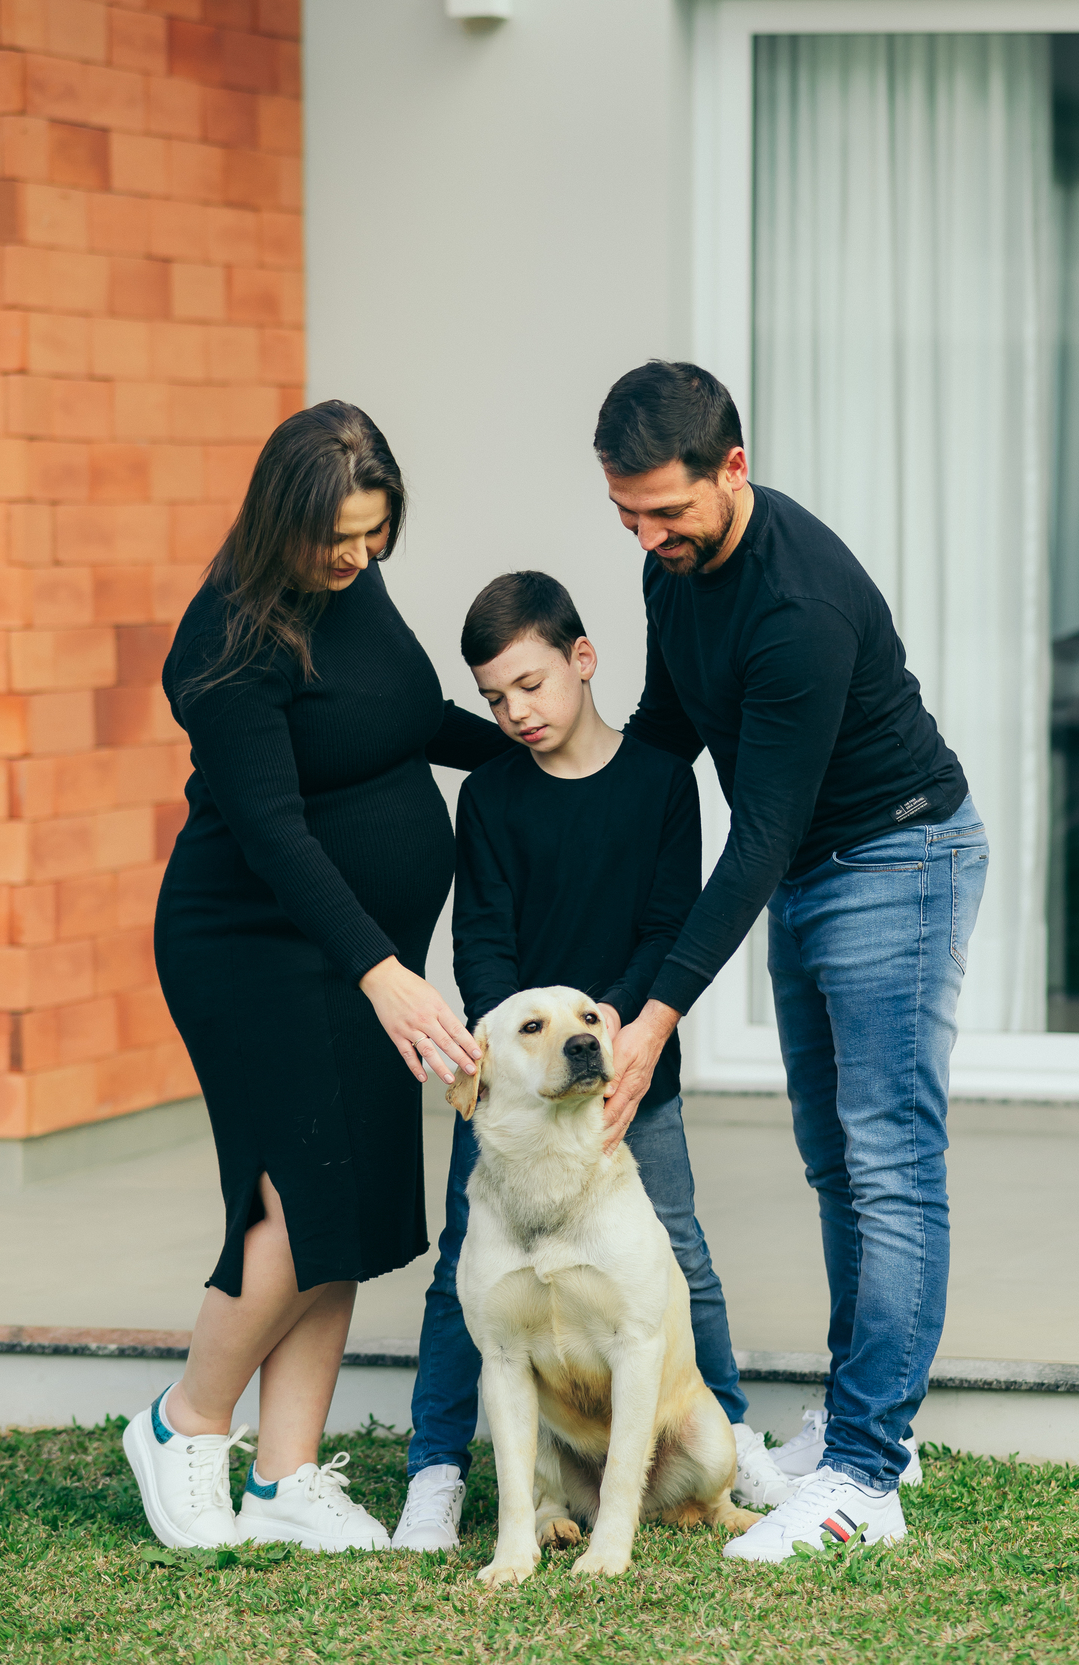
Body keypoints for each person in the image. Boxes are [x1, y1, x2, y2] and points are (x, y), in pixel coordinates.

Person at [593, 361, 989, 1560]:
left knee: (888, 1162)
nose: (651, 536)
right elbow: (667, 735)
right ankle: (867, 1426)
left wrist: (655, 1016)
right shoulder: (676, 572)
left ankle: (869, 1476)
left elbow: (757, 835)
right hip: (817, 871)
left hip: (897, 859)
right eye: (627, 516)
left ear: (734, 468)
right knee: (835, 1164)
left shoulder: (796, 607)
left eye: (670, 511)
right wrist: (540, 754)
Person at [122, 401, 510, 1554]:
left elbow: (401, 718)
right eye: (336, 538)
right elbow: (276, 834)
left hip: (358, 953)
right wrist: (385, 971)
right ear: (278, 517)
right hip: (253, 944)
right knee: (296, 1194)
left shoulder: (353, 584)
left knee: (351, 1202)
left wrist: (538, 744)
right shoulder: (228, 639)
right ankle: (187, 1421)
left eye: (374, 535)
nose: (355, 558)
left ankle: (287, 1474)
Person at [393, 571, 794, 1554]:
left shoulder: (662, 780)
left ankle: (726, 1429)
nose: (514, 711)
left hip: (627, 1075)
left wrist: (606, 1039)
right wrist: (512, 1061)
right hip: (517, 1096)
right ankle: (435, 1471)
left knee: (681, 1251)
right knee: (466, 1269)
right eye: (492, 697)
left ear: (583, 658)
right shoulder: (488, 796)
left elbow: (668, 926)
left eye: (529, 683)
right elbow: (483, 943)